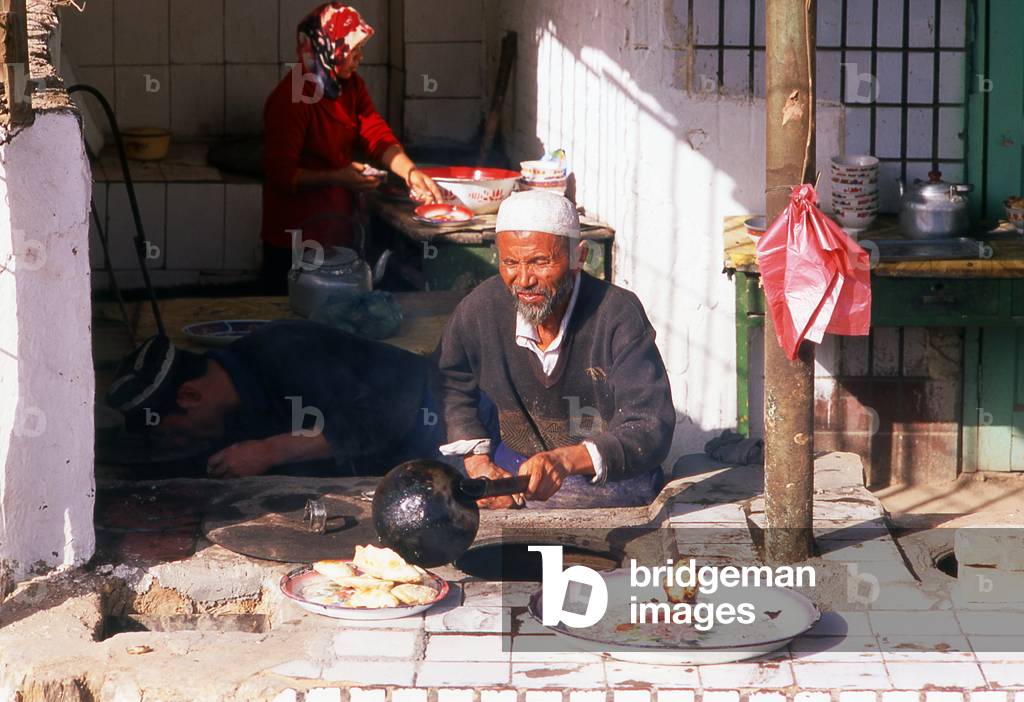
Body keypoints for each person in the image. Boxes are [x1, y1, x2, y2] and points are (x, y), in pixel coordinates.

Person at [436, 190, 676, 508]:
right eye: (510, 262)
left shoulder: (617, 314)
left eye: (539, 262)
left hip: (609, 482)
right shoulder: (482, 308)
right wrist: (478, 461)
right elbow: (450, 379)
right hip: (517, 470)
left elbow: (651, 425)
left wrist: (566, 461)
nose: (523, 279)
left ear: (579, 257)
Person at [106, 321, 444, 478]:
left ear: (189, 395)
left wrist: (269, 450)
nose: (179, 441)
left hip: (441, 431)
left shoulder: (287, 350)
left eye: (171, 431)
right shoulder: (231, 410)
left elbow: (378, 421)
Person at [260, 3, 442, 292]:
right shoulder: (291, 97)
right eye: (352, 50)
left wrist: (410, 172)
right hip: (295, 238)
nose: (360, 57)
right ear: (326, 48)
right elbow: (281, 174)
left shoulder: (349, 86)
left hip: (335, 230)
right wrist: (337, 176)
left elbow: (376, 134)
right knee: (292, 321)